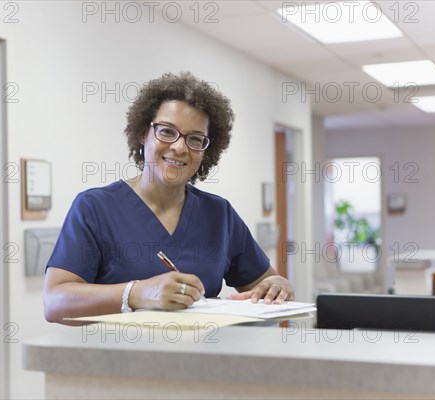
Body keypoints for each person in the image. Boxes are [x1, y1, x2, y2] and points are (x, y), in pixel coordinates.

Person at [44, 72, 294, 324]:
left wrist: (276, 285)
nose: (179, 147)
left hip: (207, 359)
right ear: (143, 133)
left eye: (195, 139)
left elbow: (264, 284)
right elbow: (55, 303)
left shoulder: (219, 214)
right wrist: (137, 293)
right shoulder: (95, 208)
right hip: (119, 360)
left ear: (207, 151)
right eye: (166, 131)